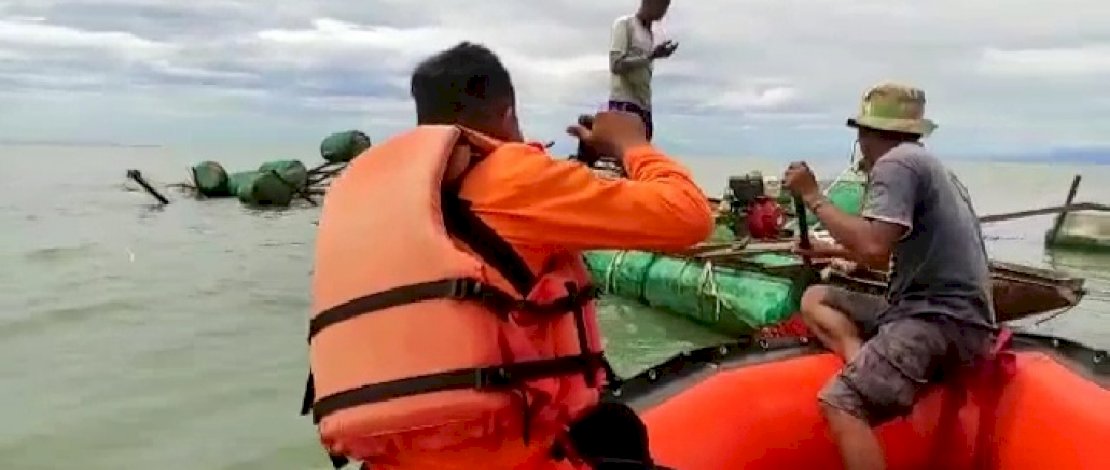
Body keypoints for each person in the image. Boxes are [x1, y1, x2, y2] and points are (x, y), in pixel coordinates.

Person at [305, 42, 713, 470]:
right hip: (506, 456)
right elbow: (689, 216)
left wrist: (580, 168)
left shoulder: (381, 200)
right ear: (508, 115)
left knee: (614, 427)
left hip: (391, 457)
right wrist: (632, 145)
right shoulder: (511, 176)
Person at [783, 83, 997, 470]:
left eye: (862, 133)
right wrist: (828, 251)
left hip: (939, 320)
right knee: (816, 297)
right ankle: (863, 364)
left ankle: (863, 387)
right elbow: (889, 254)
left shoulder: (896, 164)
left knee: (841, 402)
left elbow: (873, 247)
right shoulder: (934, 169)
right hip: (954, 315)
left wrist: (813, 196)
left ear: (869, 134)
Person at [609, 0, 678, 141]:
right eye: (661, 6)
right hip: (624, 104)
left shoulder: (649, 34)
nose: (663, 12)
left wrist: (655, 56)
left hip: (644, 107)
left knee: (641, 158)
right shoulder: (625, 24)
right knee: (627, 156)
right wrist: (651, 56)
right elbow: (615, 65)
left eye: (666, 7)